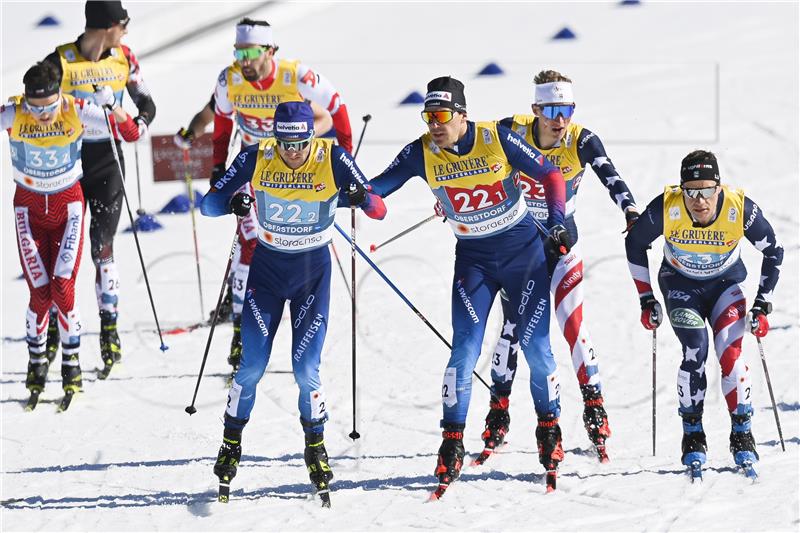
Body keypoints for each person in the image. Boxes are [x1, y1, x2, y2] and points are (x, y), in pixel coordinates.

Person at [368, 76, 571, 493]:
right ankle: (451, 442)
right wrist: (347, 193)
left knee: (536, 349)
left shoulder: (496, 138)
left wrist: (556, 222)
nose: (434, 125)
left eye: (442, 115)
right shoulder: (419, 152)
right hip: (474, 263)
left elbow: (552, 175)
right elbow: (375, 193)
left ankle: (549, 429)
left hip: (523, 257)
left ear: (462, 115)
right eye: (428, 117)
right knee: (463, 352)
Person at [200, 101, 386, 502]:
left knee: (306, 370)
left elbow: (379, 208)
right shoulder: (257, 156)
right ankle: (231, 442)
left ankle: (315, 445)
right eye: (285, 144)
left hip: (311, 278)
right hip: (266, 274)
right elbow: (208, 203)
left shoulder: (332, 156)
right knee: (250, 366)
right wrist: (232, 202)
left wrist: (360, 196)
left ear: (312, 137)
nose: (293, 153)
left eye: (300, 144)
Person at [476, 70, 640, 463]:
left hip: (563, 246)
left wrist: (631, 209)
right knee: (512, 330)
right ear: (535, 109)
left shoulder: (581, 139)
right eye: (551, 110)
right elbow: (473, 161)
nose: (559, 120)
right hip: (519, 251)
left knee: (573, 326)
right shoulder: (509, 130)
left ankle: (594, 407)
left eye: (566, 110)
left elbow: (611, 176)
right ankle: (499, 411)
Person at [186, 17, 348, 378]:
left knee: (295, 242)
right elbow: (223, 124)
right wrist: (217, 168)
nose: (243, 59)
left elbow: (336, 110)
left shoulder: (297, 76)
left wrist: (344, 157)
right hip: (254, 169)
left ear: (269, 51)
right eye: (238, 51)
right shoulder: (230, 79)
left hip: (300, 168)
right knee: (251, 244)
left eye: (250, 52)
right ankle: (243, 332)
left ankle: (299, 329)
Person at [625, 150, 783, 472]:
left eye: (707, 190)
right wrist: (646, 298)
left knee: (731, 357)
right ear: (681, 190)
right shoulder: (667, 208)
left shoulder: (741, 210)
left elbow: (774, 251)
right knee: (696, 349)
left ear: (719, 188)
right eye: (691, 191)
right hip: (680, 288)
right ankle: (693, 434)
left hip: (725, 287)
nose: (700, 201)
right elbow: (634, 243)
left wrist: (762, 303)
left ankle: (742, 434)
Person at [1, 61, 142, 406]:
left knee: (63, 287)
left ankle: (71, 362)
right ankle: (36, 362)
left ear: (59, 96)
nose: (42, 116)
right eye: (35, 109)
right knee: (40, 295)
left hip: (68, 208)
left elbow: (131, 133)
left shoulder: (77, 109)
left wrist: (112, 105)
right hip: (29, 210)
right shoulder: (13, 113)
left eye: (49, 107)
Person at [42, 0, 156, 377]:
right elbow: (34, 102)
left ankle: (109, 329)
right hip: (67, 165)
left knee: (101, 247)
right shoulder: (60, 61)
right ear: (108, 25)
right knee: (62, 254)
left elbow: (147, 104)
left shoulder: (124, 58)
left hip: (108, 160)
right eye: (124, 23)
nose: (126, 30)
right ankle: (59, 326)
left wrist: (131, 121)